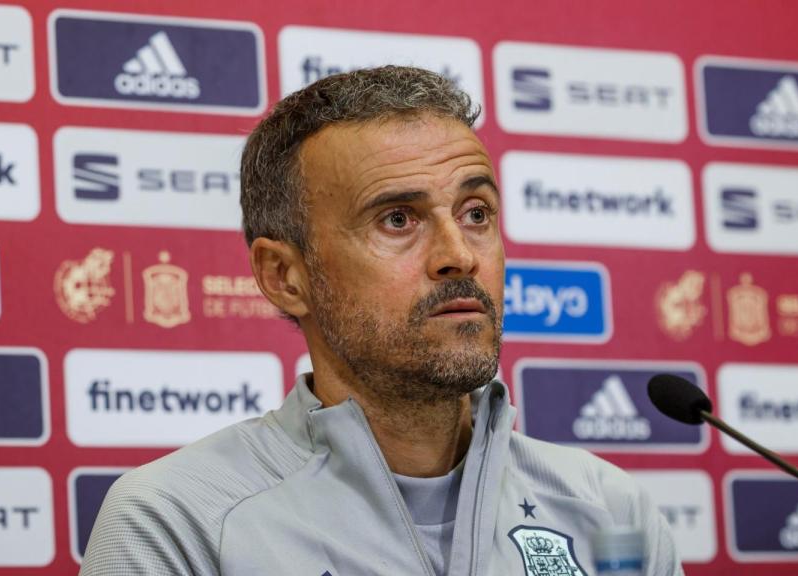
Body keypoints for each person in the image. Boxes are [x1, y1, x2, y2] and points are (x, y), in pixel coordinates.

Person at [80, 65, 683, 576]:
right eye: (398, 219)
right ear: (285, 276)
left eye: (476, 212)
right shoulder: (174, 521)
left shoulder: (609, 510)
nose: (459, 254)